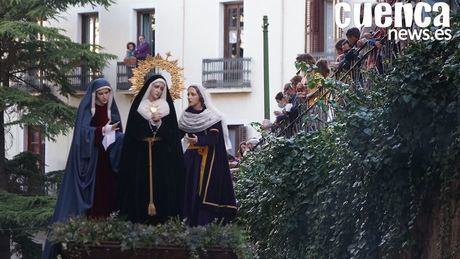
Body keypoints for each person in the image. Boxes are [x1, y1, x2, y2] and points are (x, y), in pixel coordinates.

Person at [42, 78, 123, 259]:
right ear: (95, 95)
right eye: (100, 93)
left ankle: (108, 236)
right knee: (94, 198)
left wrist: (116, 135)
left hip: (108, 162)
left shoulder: (113, 111)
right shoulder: (87, 110)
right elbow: (81, 136)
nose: (104, 97)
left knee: (108, 196)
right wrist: (101, 131)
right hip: (92, 164)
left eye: (107, 93)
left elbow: (119, 134)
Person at [118, 74, 185, 225]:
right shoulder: (139, 107)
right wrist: (149, 123)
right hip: (141, 156)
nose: (159, 90)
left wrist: (159, 123)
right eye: (156, 86)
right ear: (149, 87)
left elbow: (173, 134)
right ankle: (139, 221)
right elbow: (132, 132)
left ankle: (163, 222)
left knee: (162, 187)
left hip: (162, 157)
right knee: (141, 187)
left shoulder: (167, 108)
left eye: (162, 88)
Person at [179, 84, 237, 226]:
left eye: (192, 94)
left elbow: (214, 138)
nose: (189, 97)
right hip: (190, 160)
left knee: (201, 192)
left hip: (207, 161)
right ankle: (187, 222)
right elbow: (177, 134)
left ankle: (203, 224)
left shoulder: (212, 117)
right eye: (188, 94)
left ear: (200, 96)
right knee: (187, 190)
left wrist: (199, 140)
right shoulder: (186, 116)